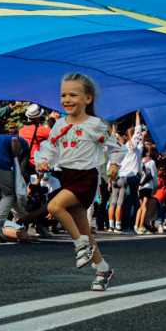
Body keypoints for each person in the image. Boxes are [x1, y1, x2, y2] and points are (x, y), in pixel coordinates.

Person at [35, 72, 126, 291]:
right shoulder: (59, 125)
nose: (66, 100)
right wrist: (44, 161)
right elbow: (50, 147)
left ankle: (80, 246)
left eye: (73, 95)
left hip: (86, 178)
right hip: (68, 176)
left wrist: (114, 164)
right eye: (63, 95)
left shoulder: (95, 125)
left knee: (55, 206)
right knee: (85, 231)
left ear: (88, 98)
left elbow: (117, 147)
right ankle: (103, 269)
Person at [118, 111, 144, 234]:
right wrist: (138, 116)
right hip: (130, 176)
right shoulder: (131, 146)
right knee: (130, 202)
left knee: (129, 201)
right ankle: (127, 226)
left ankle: (127, 226)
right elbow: (138, 133)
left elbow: (141, 142)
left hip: (126, 176)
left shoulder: (132, 148)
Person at [18, 104, 51, 174]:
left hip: (24, 163)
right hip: (36, 164)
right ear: (38, 117)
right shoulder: (41, 130)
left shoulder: (21, 130)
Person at [135, 145, 158, 234]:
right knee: (145, 206)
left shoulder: (140, 160)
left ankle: (136, 225)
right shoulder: (151, 162)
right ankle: (141, 226)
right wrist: (155, 185)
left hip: (140, 185)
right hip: (148, 185)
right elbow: (154, 174)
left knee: (140, 206)